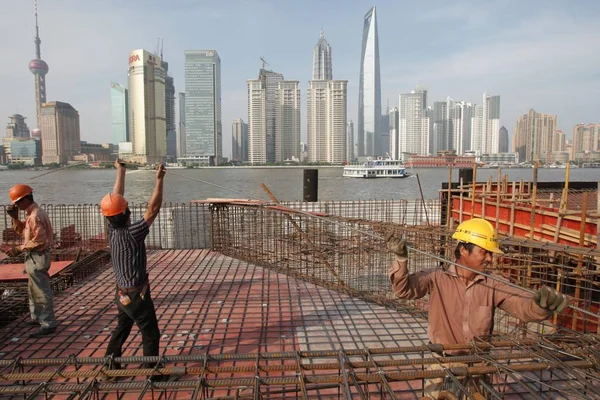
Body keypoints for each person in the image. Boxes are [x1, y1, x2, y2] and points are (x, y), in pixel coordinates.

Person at [387, 218, 568, 399]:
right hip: (442, 365)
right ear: (464, 250)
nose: (490, 259)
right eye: (484, 252)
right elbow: (405, 290)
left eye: (490, 253)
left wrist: (541, 306)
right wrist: (401, 260)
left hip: (478, 367)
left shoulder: (493, 284)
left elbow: (522, 305)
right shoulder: (436, 277)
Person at [101, 160, 166, 375]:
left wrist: (121, 172)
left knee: (122, 328)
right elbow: (153, 209)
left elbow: (115, 202)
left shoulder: (111, 231)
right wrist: (159, 180)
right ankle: (152, 372)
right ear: (126, 213)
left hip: (121, 293)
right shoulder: (132, 233)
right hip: (136, 295)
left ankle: (110, 365)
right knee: (150, 333)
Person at [6, 184, 57, 337]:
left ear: (25, 199)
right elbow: (22, 231)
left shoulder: (35, 216)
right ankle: (37, 317)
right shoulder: (31, 214)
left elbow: (39, 241)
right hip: (33, 257)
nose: (17, 206)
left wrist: (19, 249)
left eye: (18, 203)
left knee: (41, 291)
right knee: (33, 289)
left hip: (38, 256)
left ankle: (48, 323)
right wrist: (15, 218)